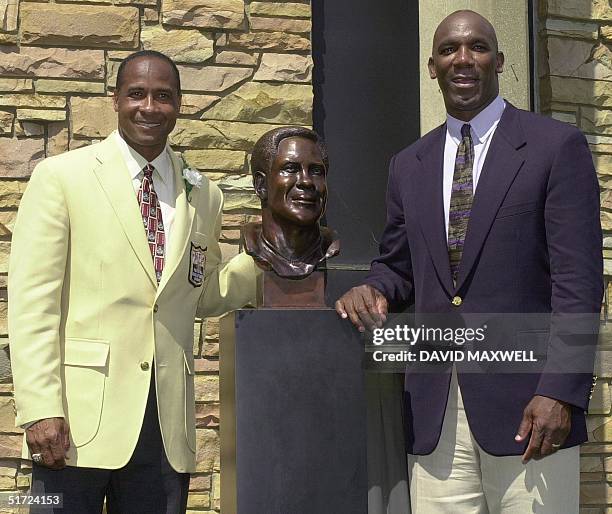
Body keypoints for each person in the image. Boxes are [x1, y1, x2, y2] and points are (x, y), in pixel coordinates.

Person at [336, 10, 602, 513]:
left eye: (477, 47)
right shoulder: (407, 164)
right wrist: (370, 287)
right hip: (436, 411)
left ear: (499, 61)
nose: (463, 58)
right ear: (432, 66)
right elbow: (398, 265)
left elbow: (579, 282)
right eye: (449, 49)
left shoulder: (553, 147)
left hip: (531, 410)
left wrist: (562, 392)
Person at [8, 50, 258, 513]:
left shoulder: (204, 193)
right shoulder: (62, 178)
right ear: (115, 100)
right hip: (75, 425)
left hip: (164, 426)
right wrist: (41, 407)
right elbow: (32, 305)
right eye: (136, 94)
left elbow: (198, 294)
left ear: (179, 104)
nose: (149, 106)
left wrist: (265, 263)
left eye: (163, 96)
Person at [242, 126, 339, 279]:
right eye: (291, 169)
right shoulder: (254, 246)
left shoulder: (330, 247)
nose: (306, 181)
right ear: (261, 185)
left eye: (316, 171)